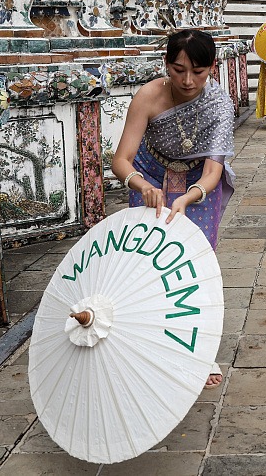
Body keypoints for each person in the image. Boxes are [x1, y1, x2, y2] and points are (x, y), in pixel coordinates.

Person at [111, 29, 233, 388]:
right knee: (147, 263)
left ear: (212, 67)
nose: (188, 80)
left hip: (196, 185)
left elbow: (214, 170)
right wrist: (143, 185)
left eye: (198, 71)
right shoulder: (149, 95)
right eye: (179, 69)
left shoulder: (220, 104)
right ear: (166, 64)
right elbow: (121, 160)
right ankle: (151, 343)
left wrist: (187, 197)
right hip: (149, 177)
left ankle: (201, 349)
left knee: (196, 264)